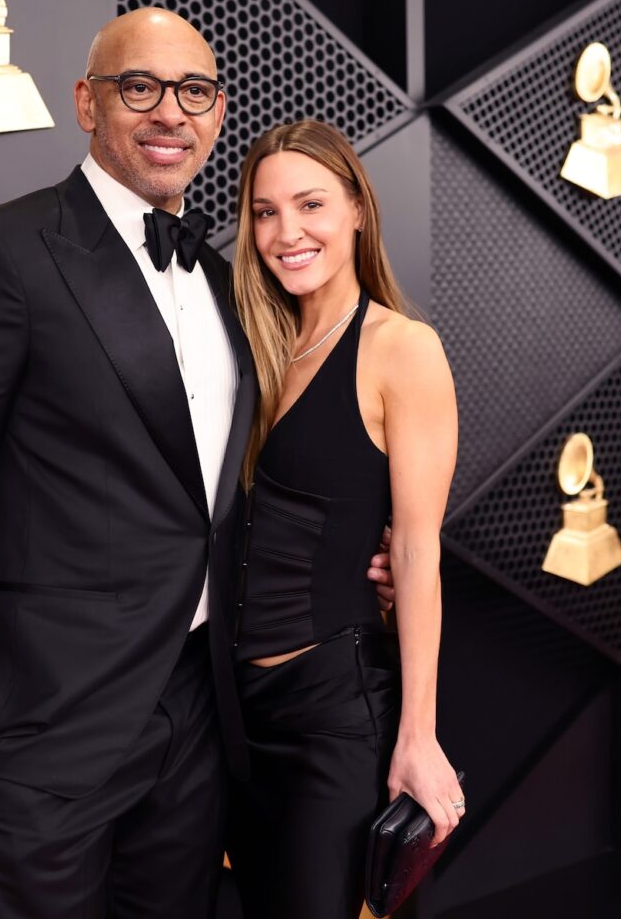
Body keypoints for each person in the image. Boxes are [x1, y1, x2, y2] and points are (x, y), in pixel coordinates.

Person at [0, 9, 391, 918]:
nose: (169, 113)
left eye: (193, 91)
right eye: (138, 87)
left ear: (219, 113)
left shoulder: (239, 281)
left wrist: (366, 556)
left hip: (201, 706)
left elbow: (237, 483)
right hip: (48, 717)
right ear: (87, 102)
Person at [226, 119, 464, 919]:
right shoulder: (255, 347)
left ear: (358, 209)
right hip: (228, 715)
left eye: (310, 204)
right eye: (264, 212)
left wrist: (419, 737)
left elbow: (419, 552)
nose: (286, 233)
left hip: (334, 713)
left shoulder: (403, 348)